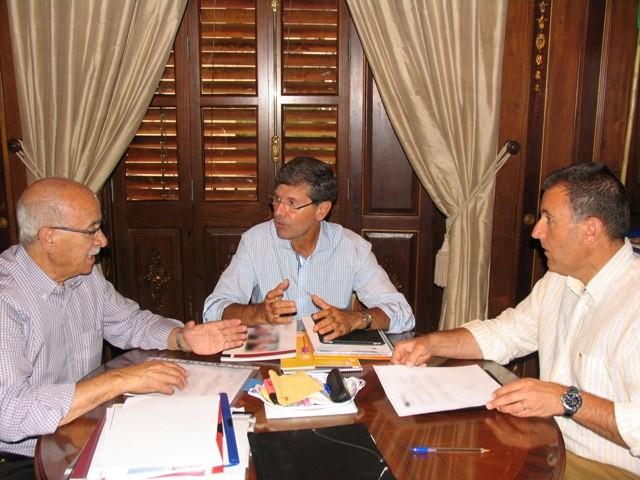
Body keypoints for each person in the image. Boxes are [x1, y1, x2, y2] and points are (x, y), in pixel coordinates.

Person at [392, 162, 640, 478]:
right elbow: (506, 333)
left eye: (549, 219)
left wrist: (567, 400)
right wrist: (431, 343)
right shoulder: (558, 281)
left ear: (591, 229)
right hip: (545, 441)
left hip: (607, 468)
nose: (536, 232)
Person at [0, 178, 247, 478]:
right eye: (92, 230)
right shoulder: (6, 299)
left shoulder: (86, 277)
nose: (103, 241)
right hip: (23, 457)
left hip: (85, 430)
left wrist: (181, 337)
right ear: (49, 238)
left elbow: (129, 322)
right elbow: (9, 412)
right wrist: (120, 379)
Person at [203, 156, 414, 340]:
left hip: (331, 360)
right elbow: (213, 310)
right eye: (277, 199)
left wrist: (356, 319)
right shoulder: (255, 242)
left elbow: (403, 313)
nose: (279, 212)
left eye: (292, 203)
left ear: (321, 210)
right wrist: (258, 314)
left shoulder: (352, 248)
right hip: (272, 358)